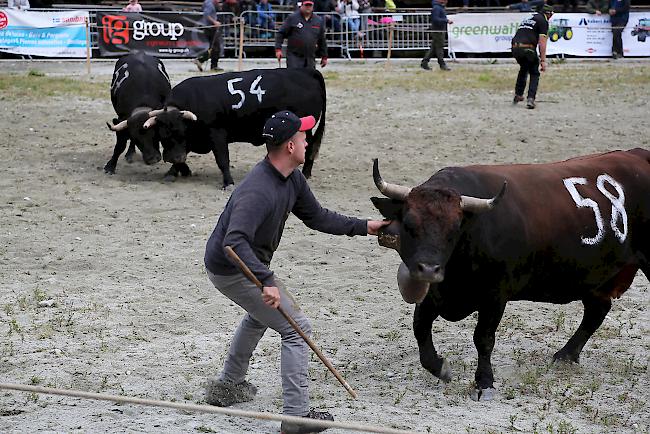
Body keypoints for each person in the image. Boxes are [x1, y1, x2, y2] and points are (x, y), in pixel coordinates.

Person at [203, 110, 390, 434]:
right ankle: (296, 418)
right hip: (230, 267)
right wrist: (265, 281)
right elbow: (234, 242)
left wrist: (366, 226)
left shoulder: (293, 178)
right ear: (290, 146)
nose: (308, 140)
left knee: (261, 316)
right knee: (296, 328)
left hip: (248, 264)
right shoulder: (257, 190)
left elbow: (318, 216)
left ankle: (227, 387)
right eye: (303, 136)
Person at [510, 4, 554, 109]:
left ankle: (518, 94)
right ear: (548, 14)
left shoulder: (528, 19)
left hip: (515, 48)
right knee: (534, 72)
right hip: (528, 47)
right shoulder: (543, 21)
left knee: (524, 68)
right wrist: (543, 60)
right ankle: (531, 98)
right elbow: (542, 42)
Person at [275, 0, 328, 69]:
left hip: (310, 58)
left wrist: (324, 56)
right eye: (306, 5)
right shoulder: (292, 18)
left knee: (309, 78)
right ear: (301, 6)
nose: (308, 7)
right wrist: (278, 49)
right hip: (294, 57)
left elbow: (322, 40)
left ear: (313, 7)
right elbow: (281, 33)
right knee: (295, 77)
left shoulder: (318, 20)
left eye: (310, 5)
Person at [421, 0, 453, 71]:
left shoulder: (438, 7)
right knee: (439, 48)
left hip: (439, 30)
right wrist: (446, 20)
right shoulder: (437, 8)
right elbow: (435, 19)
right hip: (438, 31)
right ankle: (442, 64)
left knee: (433, 48)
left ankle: (424, 62)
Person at [194, 0, 225, 72]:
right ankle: (211, 64)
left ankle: (202, 61)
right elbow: (206, 14)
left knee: (213, 48)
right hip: (210, 28)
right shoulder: (210, 4)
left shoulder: (208, 2)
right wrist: (215, 22)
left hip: (208, 27)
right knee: (216, 48)